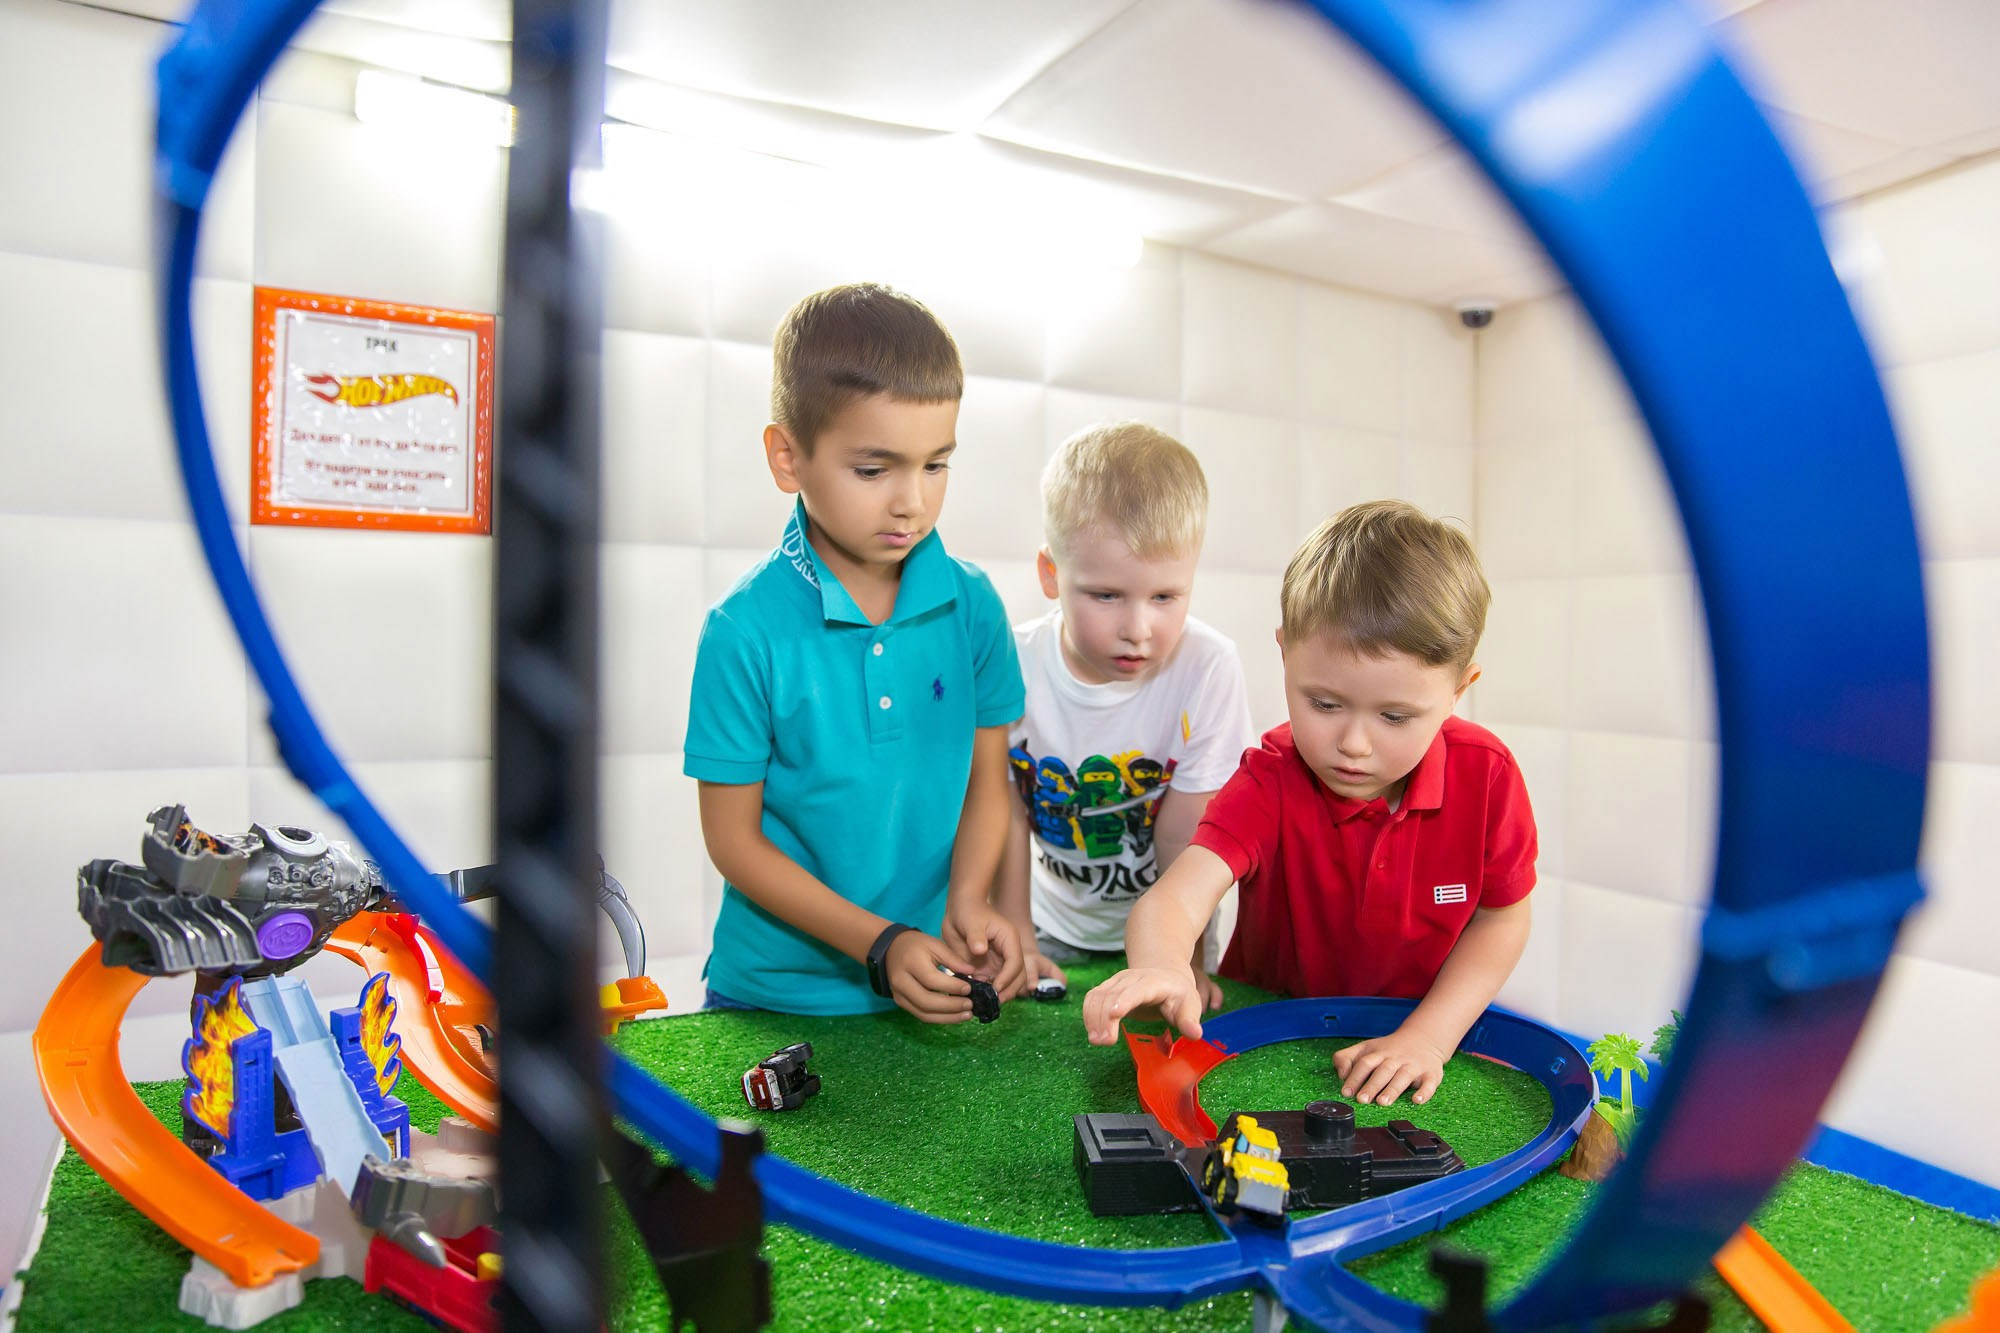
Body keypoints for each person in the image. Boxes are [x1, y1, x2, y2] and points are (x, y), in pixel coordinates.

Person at [1082, 499, 1537, 1107]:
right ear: (1284, 652)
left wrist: (1428, 1038)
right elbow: (1176, 897)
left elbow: (1502, 917)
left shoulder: (1489, 776)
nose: (1353, 744)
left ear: (1460, 689)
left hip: (1416, 1025)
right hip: (1268, 1027)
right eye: (1324, 703)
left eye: (1395, 716)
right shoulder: (1269, 780)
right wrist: (1166, 966)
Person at [685, 283, 1026, 1021]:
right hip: (770, 996)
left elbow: (988, 783)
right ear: (787, 457)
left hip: (926, 988)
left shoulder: (974, 607)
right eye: (874, 470)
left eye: (936, 464)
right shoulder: (742, 632)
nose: (912, 500)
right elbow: (734, 842)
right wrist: (880, 942)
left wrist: (969, 899)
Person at [994, 423, 1253, 1014]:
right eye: (1107, 595)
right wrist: (1017, 931)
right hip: (1050, 924)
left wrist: (1180, 963)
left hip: (1174, 928)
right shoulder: (1013, 664)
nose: (1139, 628)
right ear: (1051, 574)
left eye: (1166, 597)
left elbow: (1187, 833)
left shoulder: (1208, 666)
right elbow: (1003, 810)